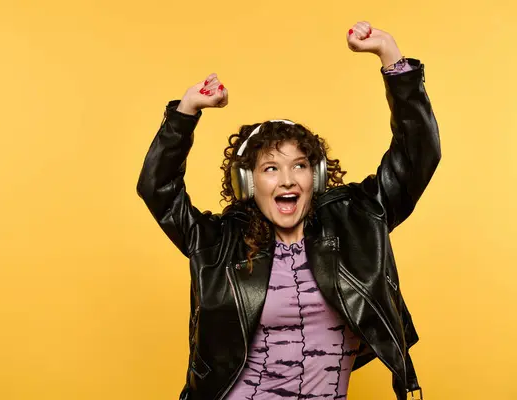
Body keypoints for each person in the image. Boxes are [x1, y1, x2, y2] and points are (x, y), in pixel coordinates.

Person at [137, 21, 440, 400]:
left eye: (299, 166)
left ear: (317, 175)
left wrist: (391, 58)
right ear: (248, 183)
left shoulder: (358, 222)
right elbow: (157, 188)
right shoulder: (218, 244)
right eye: (270, 168)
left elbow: (417, 156)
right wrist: (185, 113)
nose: (287, 180)